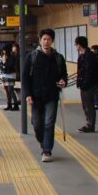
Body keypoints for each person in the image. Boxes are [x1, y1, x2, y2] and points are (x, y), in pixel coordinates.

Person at [22, 29, 68, 162]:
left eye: (49, 39)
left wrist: (63, 81)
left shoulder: (58, 58)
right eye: (44, 39)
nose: (46, 42)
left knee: (49, 123)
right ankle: (43, 141)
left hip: (52, 96)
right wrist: (27, 94)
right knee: (37, 124)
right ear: (40, 41)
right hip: (35, 97)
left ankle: (47, 150)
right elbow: (25, 77)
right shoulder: (32, 57)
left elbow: (63, 75)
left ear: (52, 41)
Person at [74, 37, 98, 133]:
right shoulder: (83, 55)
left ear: (79, 45)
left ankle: (90, 125)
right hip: (84, 84)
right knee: (86, 105)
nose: (75, 46)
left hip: (88, 85)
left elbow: (89, 72)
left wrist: (85, 83)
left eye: (76, 44)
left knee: (89, 105)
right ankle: (88, 123)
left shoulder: (89, 56)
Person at [1, 44, 20, 111]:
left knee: (10, 90)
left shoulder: (12, 56)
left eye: (4, 50)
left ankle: (15, 104)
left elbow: (10, 65)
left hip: (11, 74)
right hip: (4, 74)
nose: (3, 51)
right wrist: (3, 65)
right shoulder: (3, 56)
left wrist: (4, 63)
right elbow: (1, 65)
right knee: (7, 90)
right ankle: (9, 104)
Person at [90, 45, 98, 111]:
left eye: (92, 49)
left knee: (95, 90)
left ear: (96, 50)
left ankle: (97, 104)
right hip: (97, 77)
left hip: (96, 77)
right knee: (94, 90)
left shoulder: (97, 57)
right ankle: (96, 103)